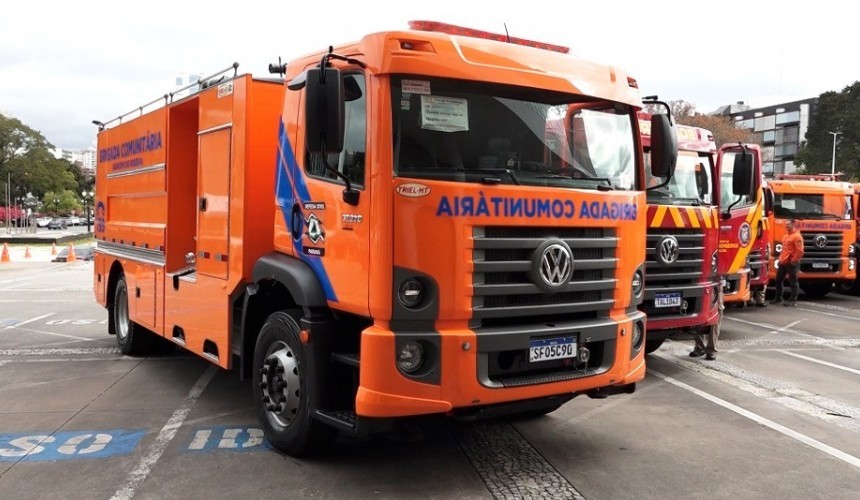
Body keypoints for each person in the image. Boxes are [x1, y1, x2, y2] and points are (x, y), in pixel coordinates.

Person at [691, 278, 724, 361]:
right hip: (701, 281)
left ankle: (711, 350)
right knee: (698, 314)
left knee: (716, 314)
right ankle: (699, 347)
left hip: (716, 282)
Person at [772, 219, 804, 306]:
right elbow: (784, 249)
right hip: (783, 262)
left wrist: (794, 260)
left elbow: (800, 251)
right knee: (778, 280)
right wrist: (780, 259)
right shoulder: (786, 236)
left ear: (793, 224)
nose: (786, 226)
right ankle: (779, 297)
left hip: (791, 262)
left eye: (788, 224)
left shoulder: (797, 237)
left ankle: (793, 299)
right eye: (785, 224)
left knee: (793, 281)